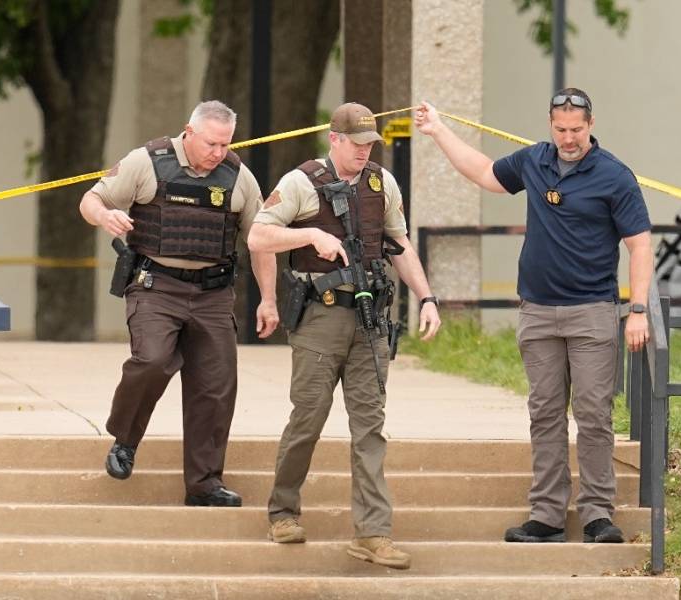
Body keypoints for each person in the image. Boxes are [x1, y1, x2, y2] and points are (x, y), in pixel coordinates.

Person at [414, 89, 652, 544]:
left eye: (576, 130)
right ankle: (546, 515)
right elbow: (484, 173)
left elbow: (640, 244)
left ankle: (599, 514)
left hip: (592, 311)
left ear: (591, 124)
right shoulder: (534, 161)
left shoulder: (614, 176)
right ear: (550, 124)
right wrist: (438, 130)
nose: (568, 138)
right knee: (544, 413)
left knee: (594, 414)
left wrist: (636, 309)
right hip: (538, 311)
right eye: (560, 129)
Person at [248, 102, 441, 570]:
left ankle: (373, 533)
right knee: (308, 418)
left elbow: (399, 244)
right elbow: (258, 237)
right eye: (356, 144)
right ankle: (283, 511)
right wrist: (309, 236)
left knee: (370, 426)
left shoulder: (381, 182)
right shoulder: (302, 182)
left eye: (369, 144)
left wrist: (427, 297)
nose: (363, 152)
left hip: (370, 319)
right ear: (334, 139)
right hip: (320, 317)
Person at [79, 100, 278, 508]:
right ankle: (125, 441)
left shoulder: (239, 177)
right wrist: (105, 217)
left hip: (213, 293)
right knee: (152, 360)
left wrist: (269, 300)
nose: (218, 152)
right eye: (211, 143)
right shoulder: (147, 162)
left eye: (225, 144)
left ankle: (204, 484)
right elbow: (90, 201)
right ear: (188, 131)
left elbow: (261, 242)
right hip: (156, 286)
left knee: (216, 386)